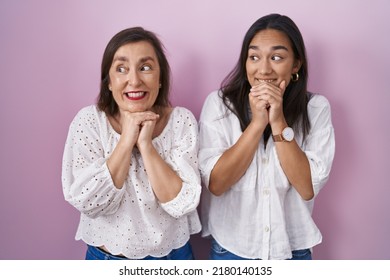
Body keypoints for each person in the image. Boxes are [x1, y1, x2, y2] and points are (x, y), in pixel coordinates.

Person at [198, 14, 335, 260]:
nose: (263, 69)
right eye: (254, 57)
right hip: (232, 250)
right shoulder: (219, 105)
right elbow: (216, 184)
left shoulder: (316, 108)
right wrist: (258, 123)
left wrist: (278, 119)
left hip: (292, 250)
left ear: (296, 65)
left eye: (277, 57)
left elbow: (307, 187)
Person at [62, 27, 201, 260]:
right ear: (108, 82)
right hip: (107, 259)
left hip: (174, 257)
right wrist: (126, 141)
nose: (134, 80)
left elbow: (182, 202)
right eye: (121, 69)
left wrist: (146, 146)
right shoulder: (89, 121)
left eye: (145, 68)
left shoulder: (181, 121)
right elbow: (87, 201)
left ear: (160, 79)